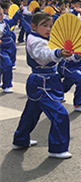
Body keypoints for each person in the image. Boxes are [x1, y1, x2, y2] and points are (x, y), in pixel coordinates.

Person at [12, 12, 73, 159]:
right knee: (60, 114)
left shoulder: (43, 38)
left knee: (30, 114)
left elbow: (59, 54)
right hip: (42, 82)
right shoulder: (34, 40)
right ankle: (57, 148)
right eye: (44, 25)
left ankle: (20, 140)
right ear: (33, 26)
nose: (48, 29)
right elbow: (45, 54)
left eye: (50, 26)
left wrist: (74, 55)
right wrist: (59, 53)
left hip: (44, 81)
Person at [0, 6, 17, 92]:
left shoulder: (6, 22)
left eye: (1, 14)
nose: (0, 16)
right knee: (7, 65)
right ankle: (7, 85)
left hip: (10, 46)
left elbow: (13, 20)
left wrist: (19, 12)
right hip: (1, 49)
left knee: (5, 65)